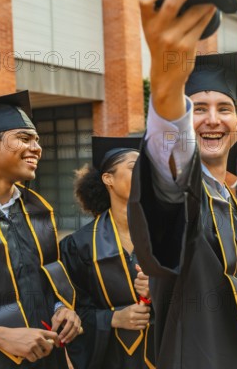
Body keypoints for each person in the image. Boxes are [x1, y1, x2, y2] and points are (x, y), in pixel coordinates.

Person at [127, 0, 237, 367]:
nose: (212, 119)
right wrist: (166, 97)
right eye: (198, 107)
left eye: (223, 108)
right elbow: (166, 198)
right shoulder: (186, 201)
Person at [0, 91, 82, 368]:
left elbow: (42, 281)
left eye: (37, 140)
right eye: (25, 138)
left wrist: (60, 308)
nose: (37, 148)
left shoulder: (37, 209)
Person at [60, 136, 154, 368]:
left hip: (164, 352)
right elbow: (71, 310)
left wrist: (160, 290)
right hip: (110, 358)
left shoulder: (168, 237)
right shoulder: (79, 245)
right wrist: (113, 318)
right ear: (107, 178)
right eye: (134, 167)